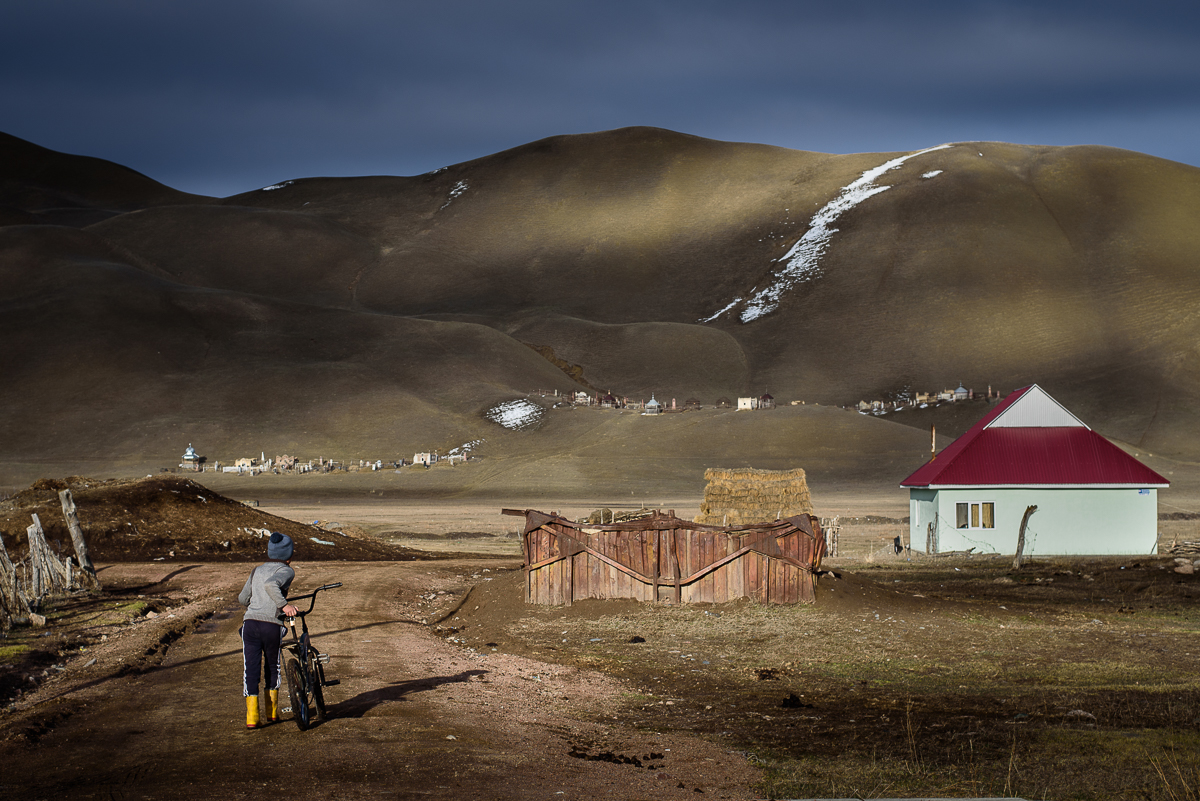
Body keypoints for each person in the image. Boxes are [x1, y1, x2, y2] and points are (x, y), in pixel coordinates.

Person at [238, 531, 299, 728]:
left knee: (251, 669)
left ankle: (252, 718)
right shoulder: (286, 571)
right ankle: (272, 713)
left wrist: (256, 603)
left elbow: (242, 599)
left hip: (250, 625)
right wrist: (284, 606)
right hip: (271, 625)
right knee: (273, 667)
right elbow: (271, 584)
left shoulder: (256, 570)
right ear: (288, 555)